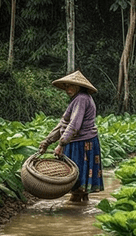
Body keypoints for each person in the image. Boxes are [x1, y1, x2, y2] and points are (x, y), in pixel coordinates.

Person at [38, 70, 104, 202]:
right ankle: (82, 211)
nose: (68, 89)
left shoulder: (81, 99)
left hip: (81, 144)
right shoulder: (79, 99)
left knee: (76, 184)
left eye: (71, 86)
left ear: (79, 86)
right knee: (81, 189)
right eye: (66, 86)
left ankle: (74, 211)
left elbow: (74, 125)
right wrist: (47, 141)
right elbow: (63, 124)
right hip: (82, 142)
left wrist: (61, 144)